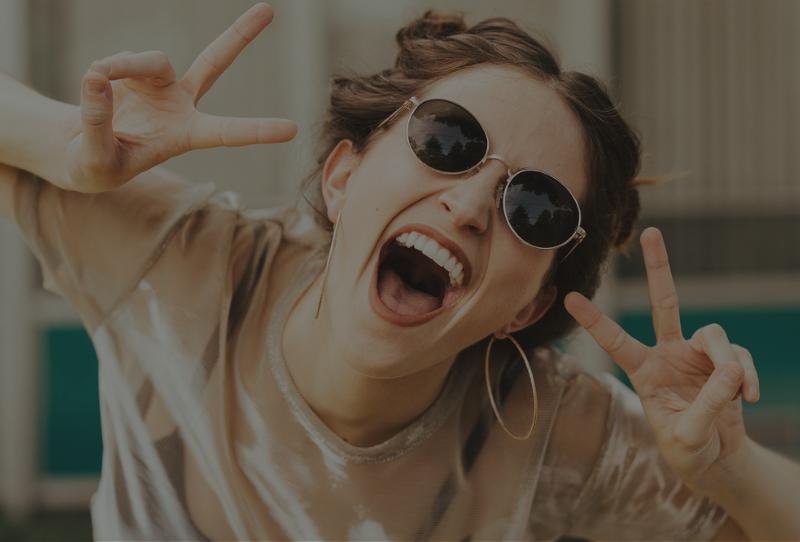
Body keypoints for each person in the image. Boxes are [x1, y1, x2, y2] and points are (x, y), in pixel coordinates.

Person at [0, 4, 798, 540]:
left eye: (536, 208)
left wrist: (729, 470)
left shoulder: (549, 428)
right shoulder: (182, 262)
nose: (472, 204)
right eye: (448, 142)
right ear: (344, 176)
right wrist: (65, 145)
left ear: (528, 306)